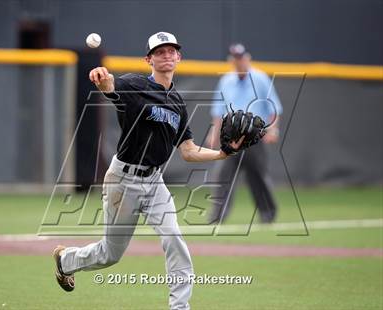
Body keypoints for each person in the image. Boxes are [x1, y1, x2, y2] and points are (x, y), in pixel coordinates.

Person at [52, 32, 246, 310]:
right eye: (160, 52)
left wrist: (223, 153)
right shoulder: (134, 85)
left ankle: (180, 307)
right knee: (110, 254)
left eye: (171, 51)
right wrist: (101, 77)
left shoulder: (178, 103)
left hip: (154, 182)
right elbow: (110, 87)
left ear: (179, 57)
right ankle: (66, 261)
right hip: (122, 180)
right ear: (149, 59)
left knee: (174, 239)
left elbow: (188, 151)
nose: (166, 55)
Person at [206, 43, 283, 224]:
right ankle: (217, 216)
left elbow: (274, 107)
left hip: (254, 137)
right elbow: (218, 111)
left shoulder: (260, 78)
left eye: (241, 57)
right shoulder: (226, 81)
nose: (239, 61)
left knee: (257, 176)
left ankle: (268, 214)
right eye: (235, 58)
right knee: (222, 175)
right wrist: (214, 134)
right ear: (231, 61)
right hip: (231, 137)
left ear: (247, 58)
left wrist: (273, 128)